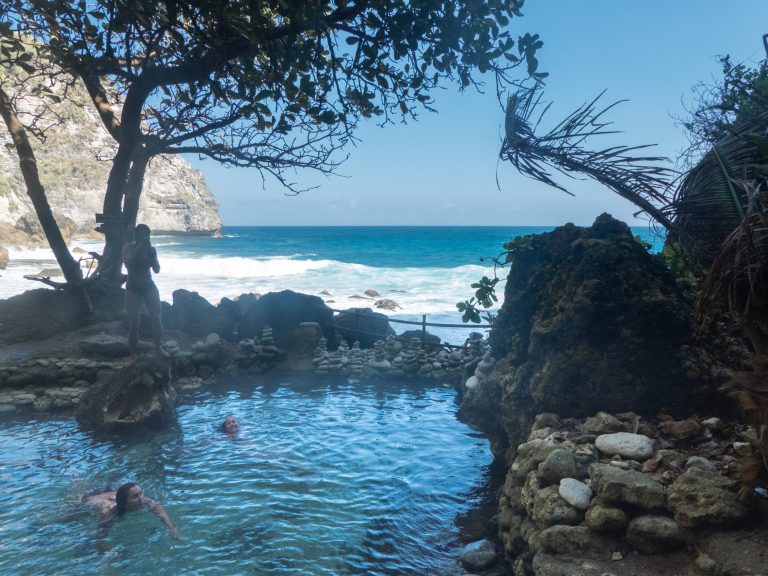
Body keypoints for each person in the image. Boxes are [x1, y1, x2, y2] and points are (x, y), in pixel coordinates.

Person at [81, 482, 180, 551]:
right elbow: (99, 538)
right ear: (125, 503)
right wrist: (107, 558)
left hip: (110, 493)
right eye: (135, 496)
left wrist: (173, 530)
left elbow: (159, 510)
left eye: (141, 493)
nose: (141, 498)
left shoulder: (144, 501)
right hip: (86, 499)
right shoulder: (110, 514)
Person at [122, 224, 162, 355]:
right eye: (142, 235)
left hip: (148, 285)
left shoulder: (151, 250)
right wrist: (138, 249)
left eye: (147, 235)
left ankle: (158, 348)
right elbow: (127, 264)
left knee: (156, 318)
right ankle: (133, 352)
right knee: (134, 325)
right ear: (136, 235)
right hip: (132, 287)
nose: (145, 237)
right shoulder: (128, 247)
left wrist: (151, 256)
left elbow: (157, 270)